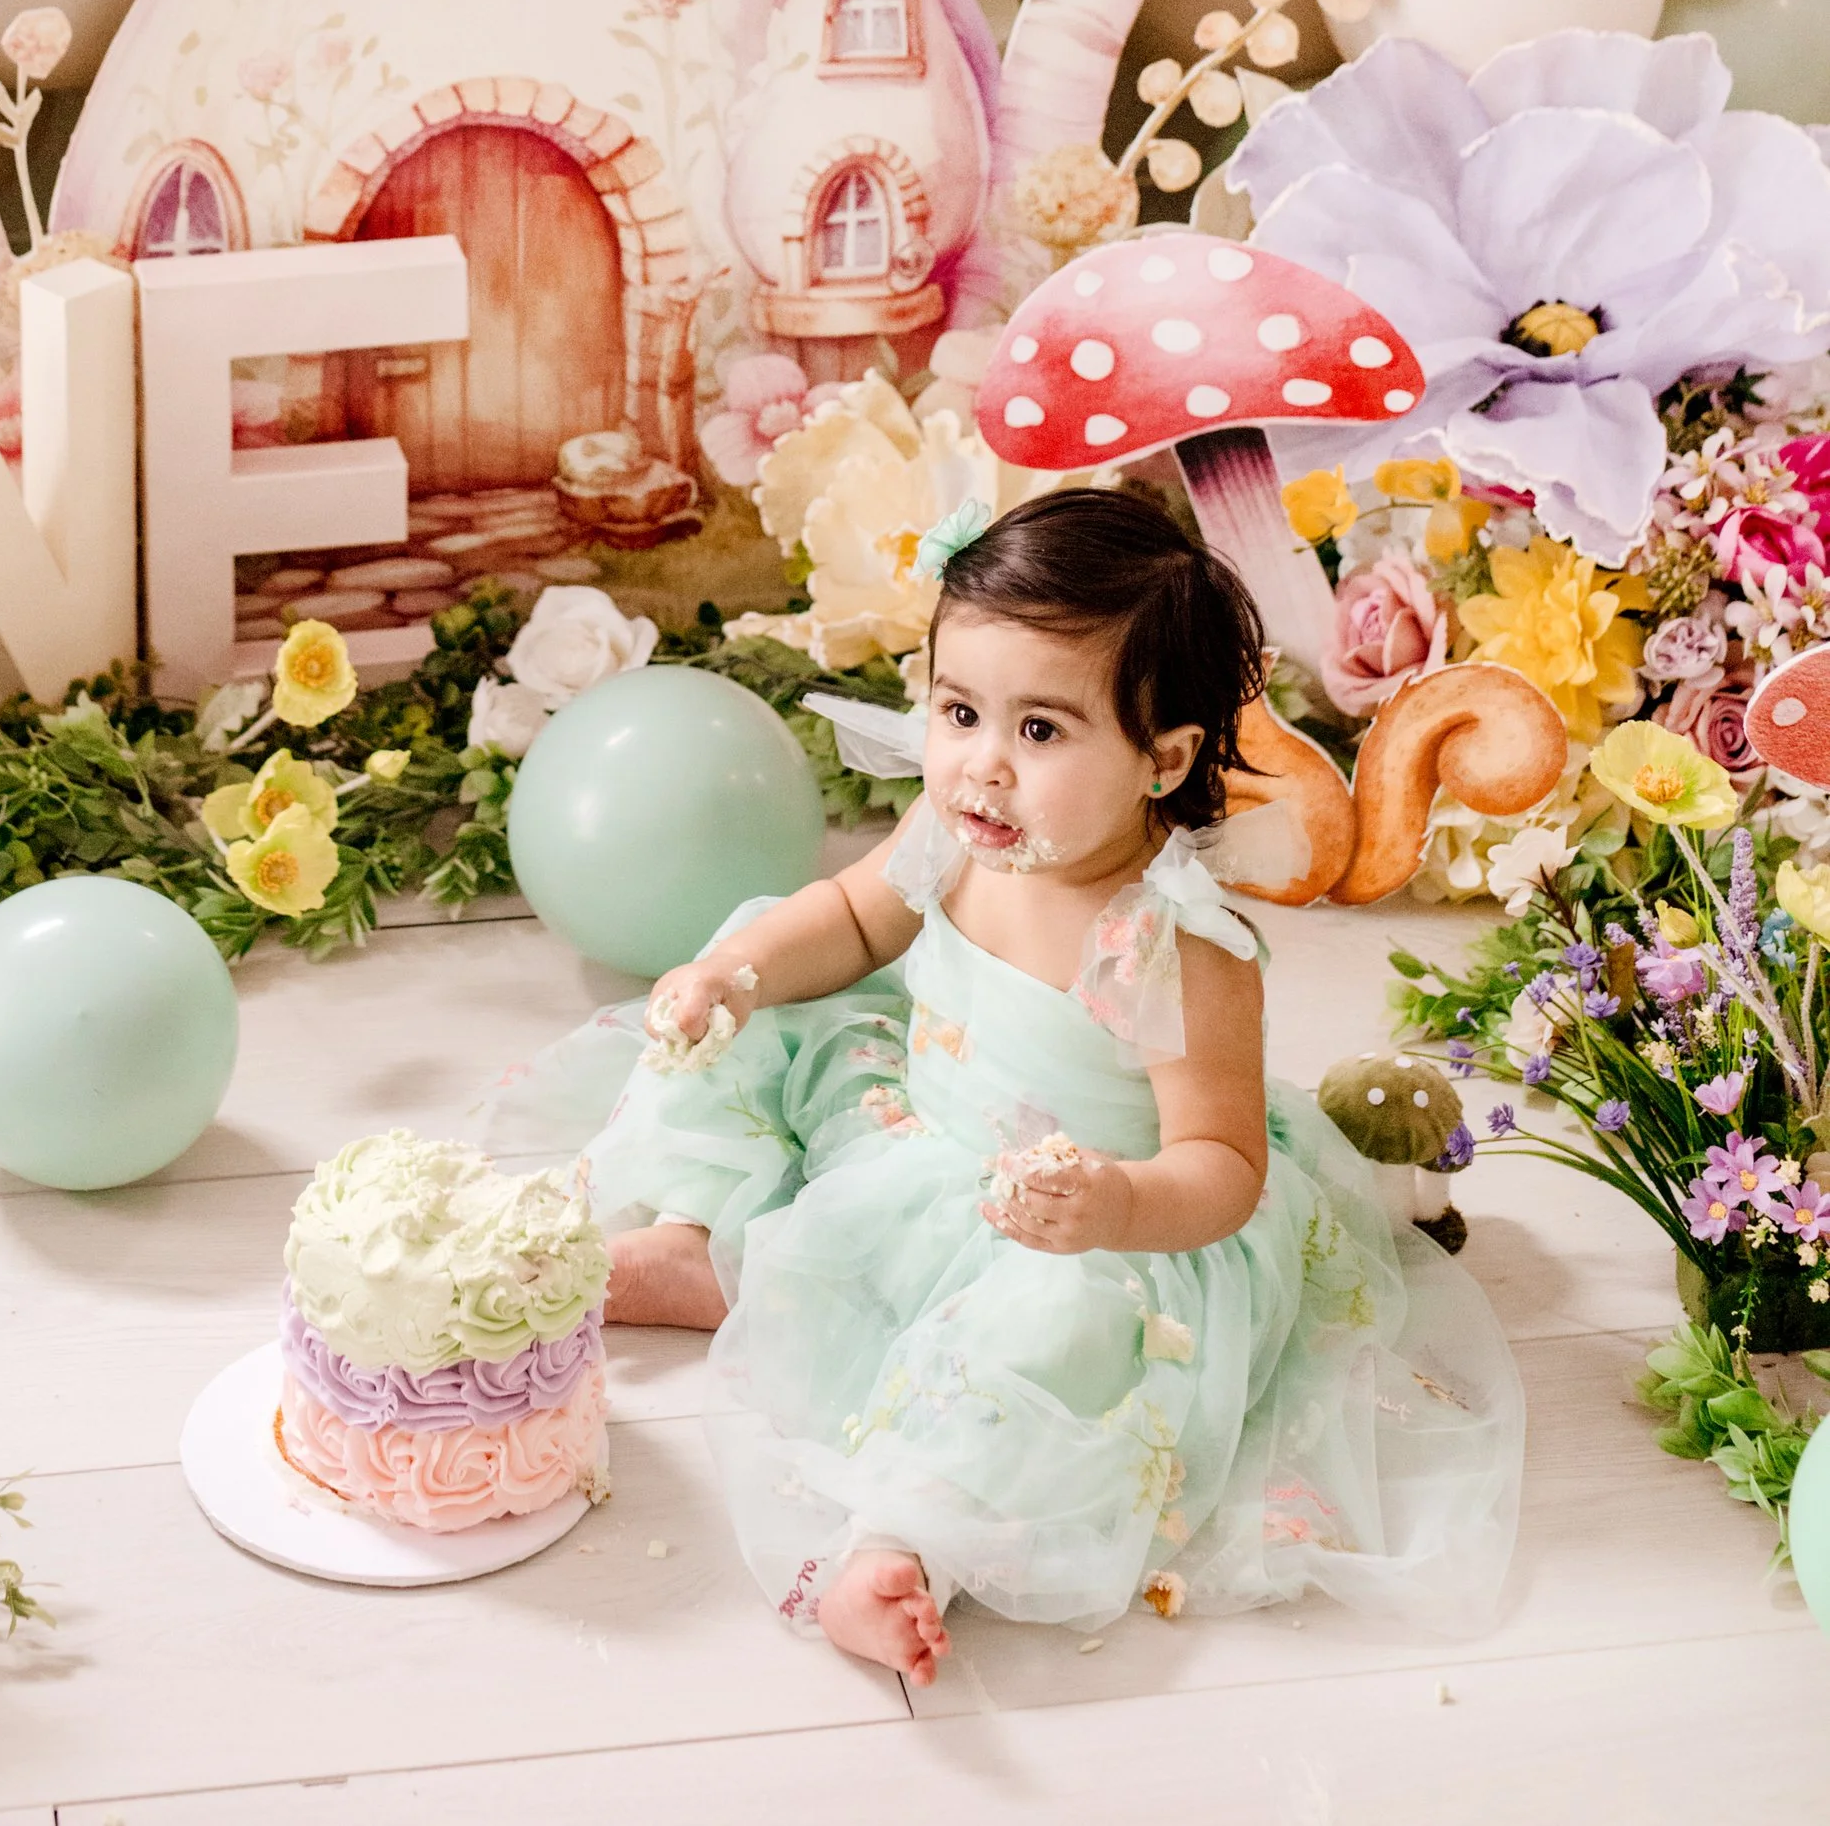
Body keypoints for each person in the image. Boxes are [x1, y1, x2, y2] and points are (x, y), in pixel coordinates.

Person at [508, 489, 1522, 1682]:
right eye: (958, 712)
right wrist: (732, 976)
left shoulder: (1177, 947)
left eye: (1039, 732)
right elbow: (845, 916)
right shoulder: (951, 831)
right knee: (750, 991)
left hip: (1071, 1219)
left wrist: (1117, 1206)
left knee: (1063, 1332)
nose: (981, 767)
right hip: (907, 1115)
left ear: (1165, 757)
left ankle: (903, 1540)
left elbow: (1224, 1170)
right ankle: (689, 1230)